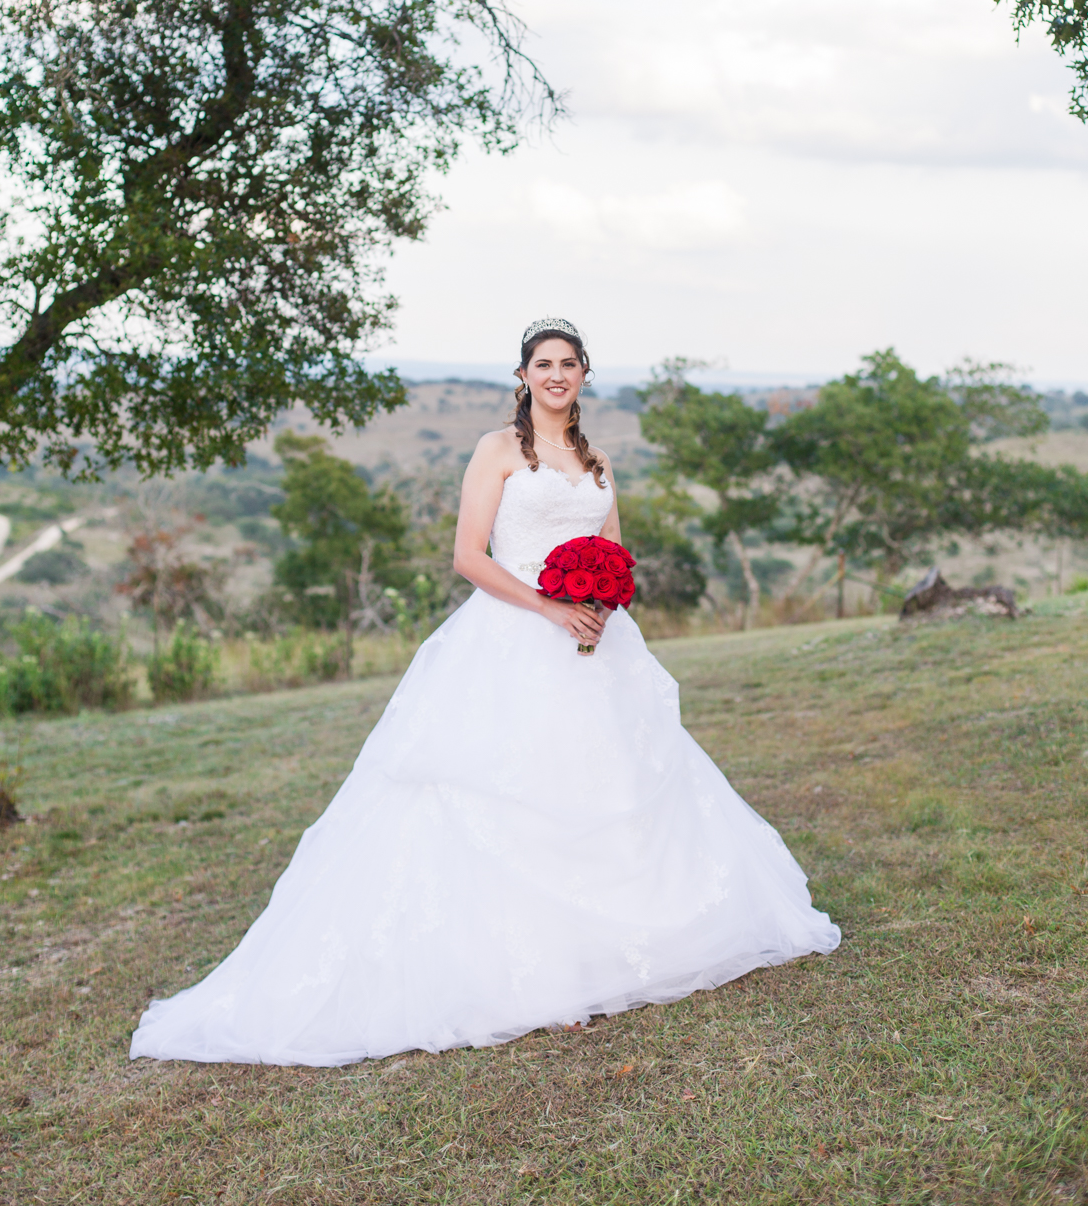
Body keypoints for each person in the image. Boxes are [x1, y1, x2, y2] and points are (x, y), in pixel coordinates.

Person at [130, 317, 839, 1068]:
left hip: (595, 641)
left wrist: (602, 603)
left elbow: (614, 551)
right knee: (519, 788)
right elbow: (469, 556)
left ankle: (610, 947)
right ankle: (542, 972)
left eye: (569, 363)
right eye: (544, 363)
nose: (557, 375)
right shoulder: (495, 451)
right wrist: (548, 604)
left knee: (607, 780)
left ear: (585, 375)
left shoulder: (598, 461)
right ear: (524, 376)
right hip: (514, 632)